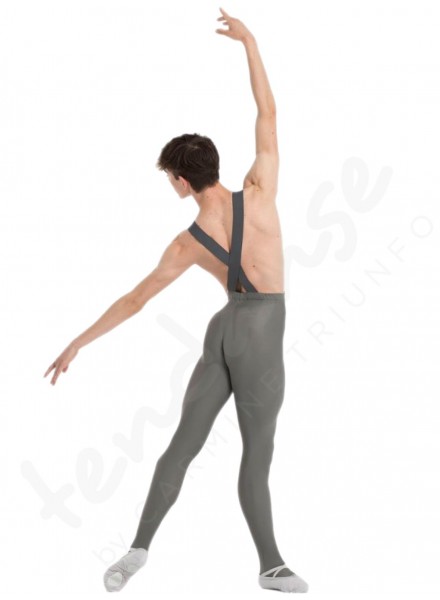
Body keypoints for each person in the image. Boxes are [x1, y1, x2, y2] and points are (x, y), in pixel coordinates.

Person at [44, 7, 308, 594]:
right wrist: (250, 42)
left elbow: (135, 299)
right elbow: (267, 112)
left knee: (182, 447)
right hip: (260, 336)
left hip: (223, 331)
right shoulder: (260, 192)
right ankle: (271, 566)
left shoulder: (187, 243)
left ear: (182, 181)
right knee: (256, 456)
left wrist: (77, 343)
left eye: (169, 177)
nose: (171, 184)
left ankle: (135, 552)